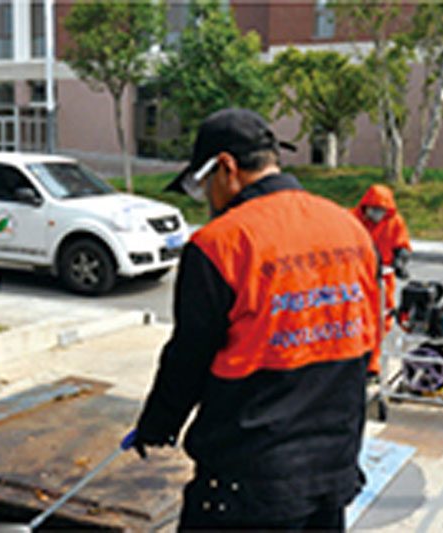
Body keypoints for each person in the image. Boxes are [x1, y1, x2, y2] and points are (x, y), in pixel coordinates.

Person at [132, 108, 381, 531]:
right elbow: (367, 338)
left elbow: (189, 359)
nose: (207, 198)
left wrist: (158, 424)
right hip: (332, 470)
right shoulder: (352, 231)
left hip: (246, 482)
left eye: (202, 185)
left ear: (226, 168)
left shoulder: (220, 244)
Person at [352, 184, 412, 377]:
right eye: (374, 209)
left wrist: (400, 260)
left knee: (381, 320)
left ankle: (372, 364)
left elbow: (402, 245)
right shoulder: (352, 219)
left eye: (381, 210)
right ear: (365, 206)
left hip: (383, 279)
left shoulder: (394, 222)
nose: (377, 214)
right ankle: (354, 362)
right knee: (355, 319)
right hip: (357, 276)